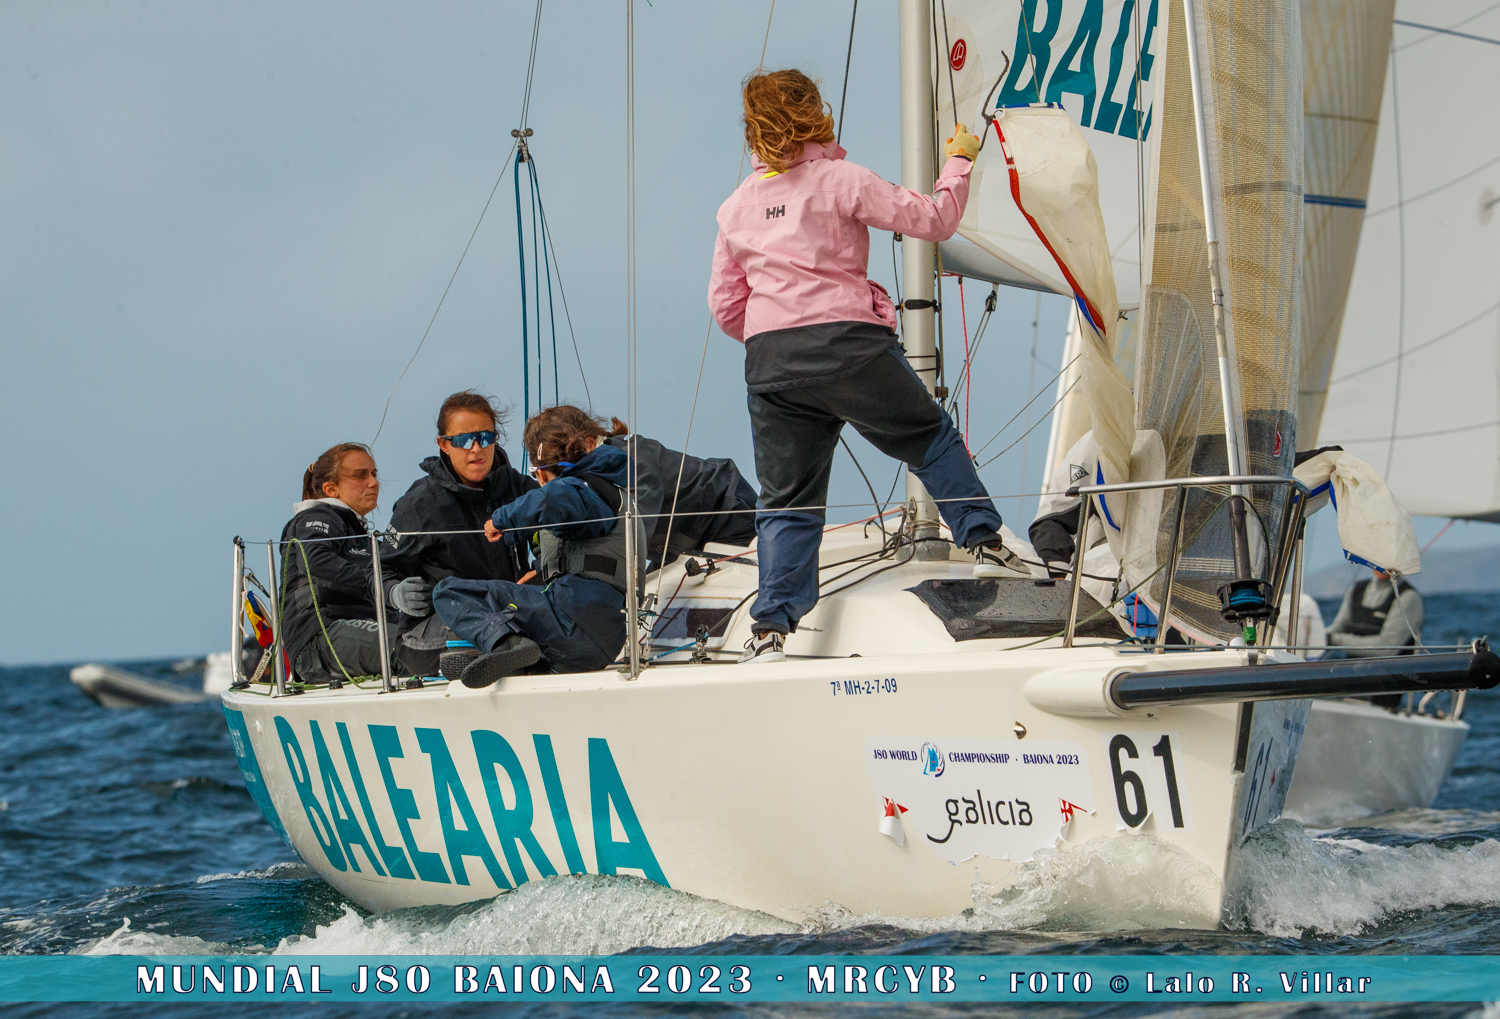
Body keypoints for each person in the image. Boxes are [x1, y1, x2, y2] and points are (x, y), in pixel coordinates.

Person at [707, 69, 1027, 664]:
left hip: (771, 361)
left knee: (786, 501)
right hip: (848, 345)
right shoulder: (842, 179)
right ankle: (983, 541)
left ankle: (772, 628)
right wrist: (959, 160)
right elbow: (935, 220)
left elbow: (727, 307)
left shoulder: (735, 208)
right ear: (816, 113)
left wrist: (778, 332)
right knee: (928, 437)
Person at [432, 410, 644, 688]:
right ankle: (517, 659)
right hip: (601, 642)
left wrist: (501, 519)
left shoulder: (579, 489)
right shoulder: (610, 493)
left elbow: (555, 499)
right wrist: (519, 541)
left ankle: (506, 645)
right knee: (526, 649)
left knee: (449, 592)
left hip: (572, 619)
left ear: (541, 472)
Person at [385, 391, 539, 667]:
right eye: (463, 440)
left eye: (485, 437)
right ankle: (508, 653)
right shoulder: (418, 505)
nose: (476, 449)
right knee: (504, 633)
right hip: (431, 628)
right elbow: (379, 569)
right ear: (443, 444)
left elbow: (555, 542)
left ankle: (513, 654)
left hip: (508, 613)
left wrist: (542, 571)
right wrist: (395, 592)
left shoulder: (521, 490)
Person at [279, 443, 430, 683]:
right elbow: (316, 561)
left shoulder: (360, 534)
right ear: (330, 489)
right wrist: (383, 589)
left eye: (374, 474)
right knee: (415, 648)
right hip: (319, 638)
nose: (373, 483)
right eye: (360, 475)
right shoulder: (314, 518)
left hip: (360, 629)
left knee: (439, 639)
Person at [533, 404, 758, 564]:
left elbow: (631, 536)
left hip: (731, 521)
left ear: (590, 443)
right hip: (683, 546)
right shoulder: (583, 486)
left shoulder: (631, 459)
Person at [1326, 566, 1424, 658]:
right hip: (1352, 667)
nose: (1381, 564)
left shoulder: (1409, 597)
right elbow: (1341, 625)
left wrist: (1333, 639)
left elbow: (1387, 648)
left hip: (1392, 669)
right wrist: (1321, 636)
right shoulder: (1356, 589)